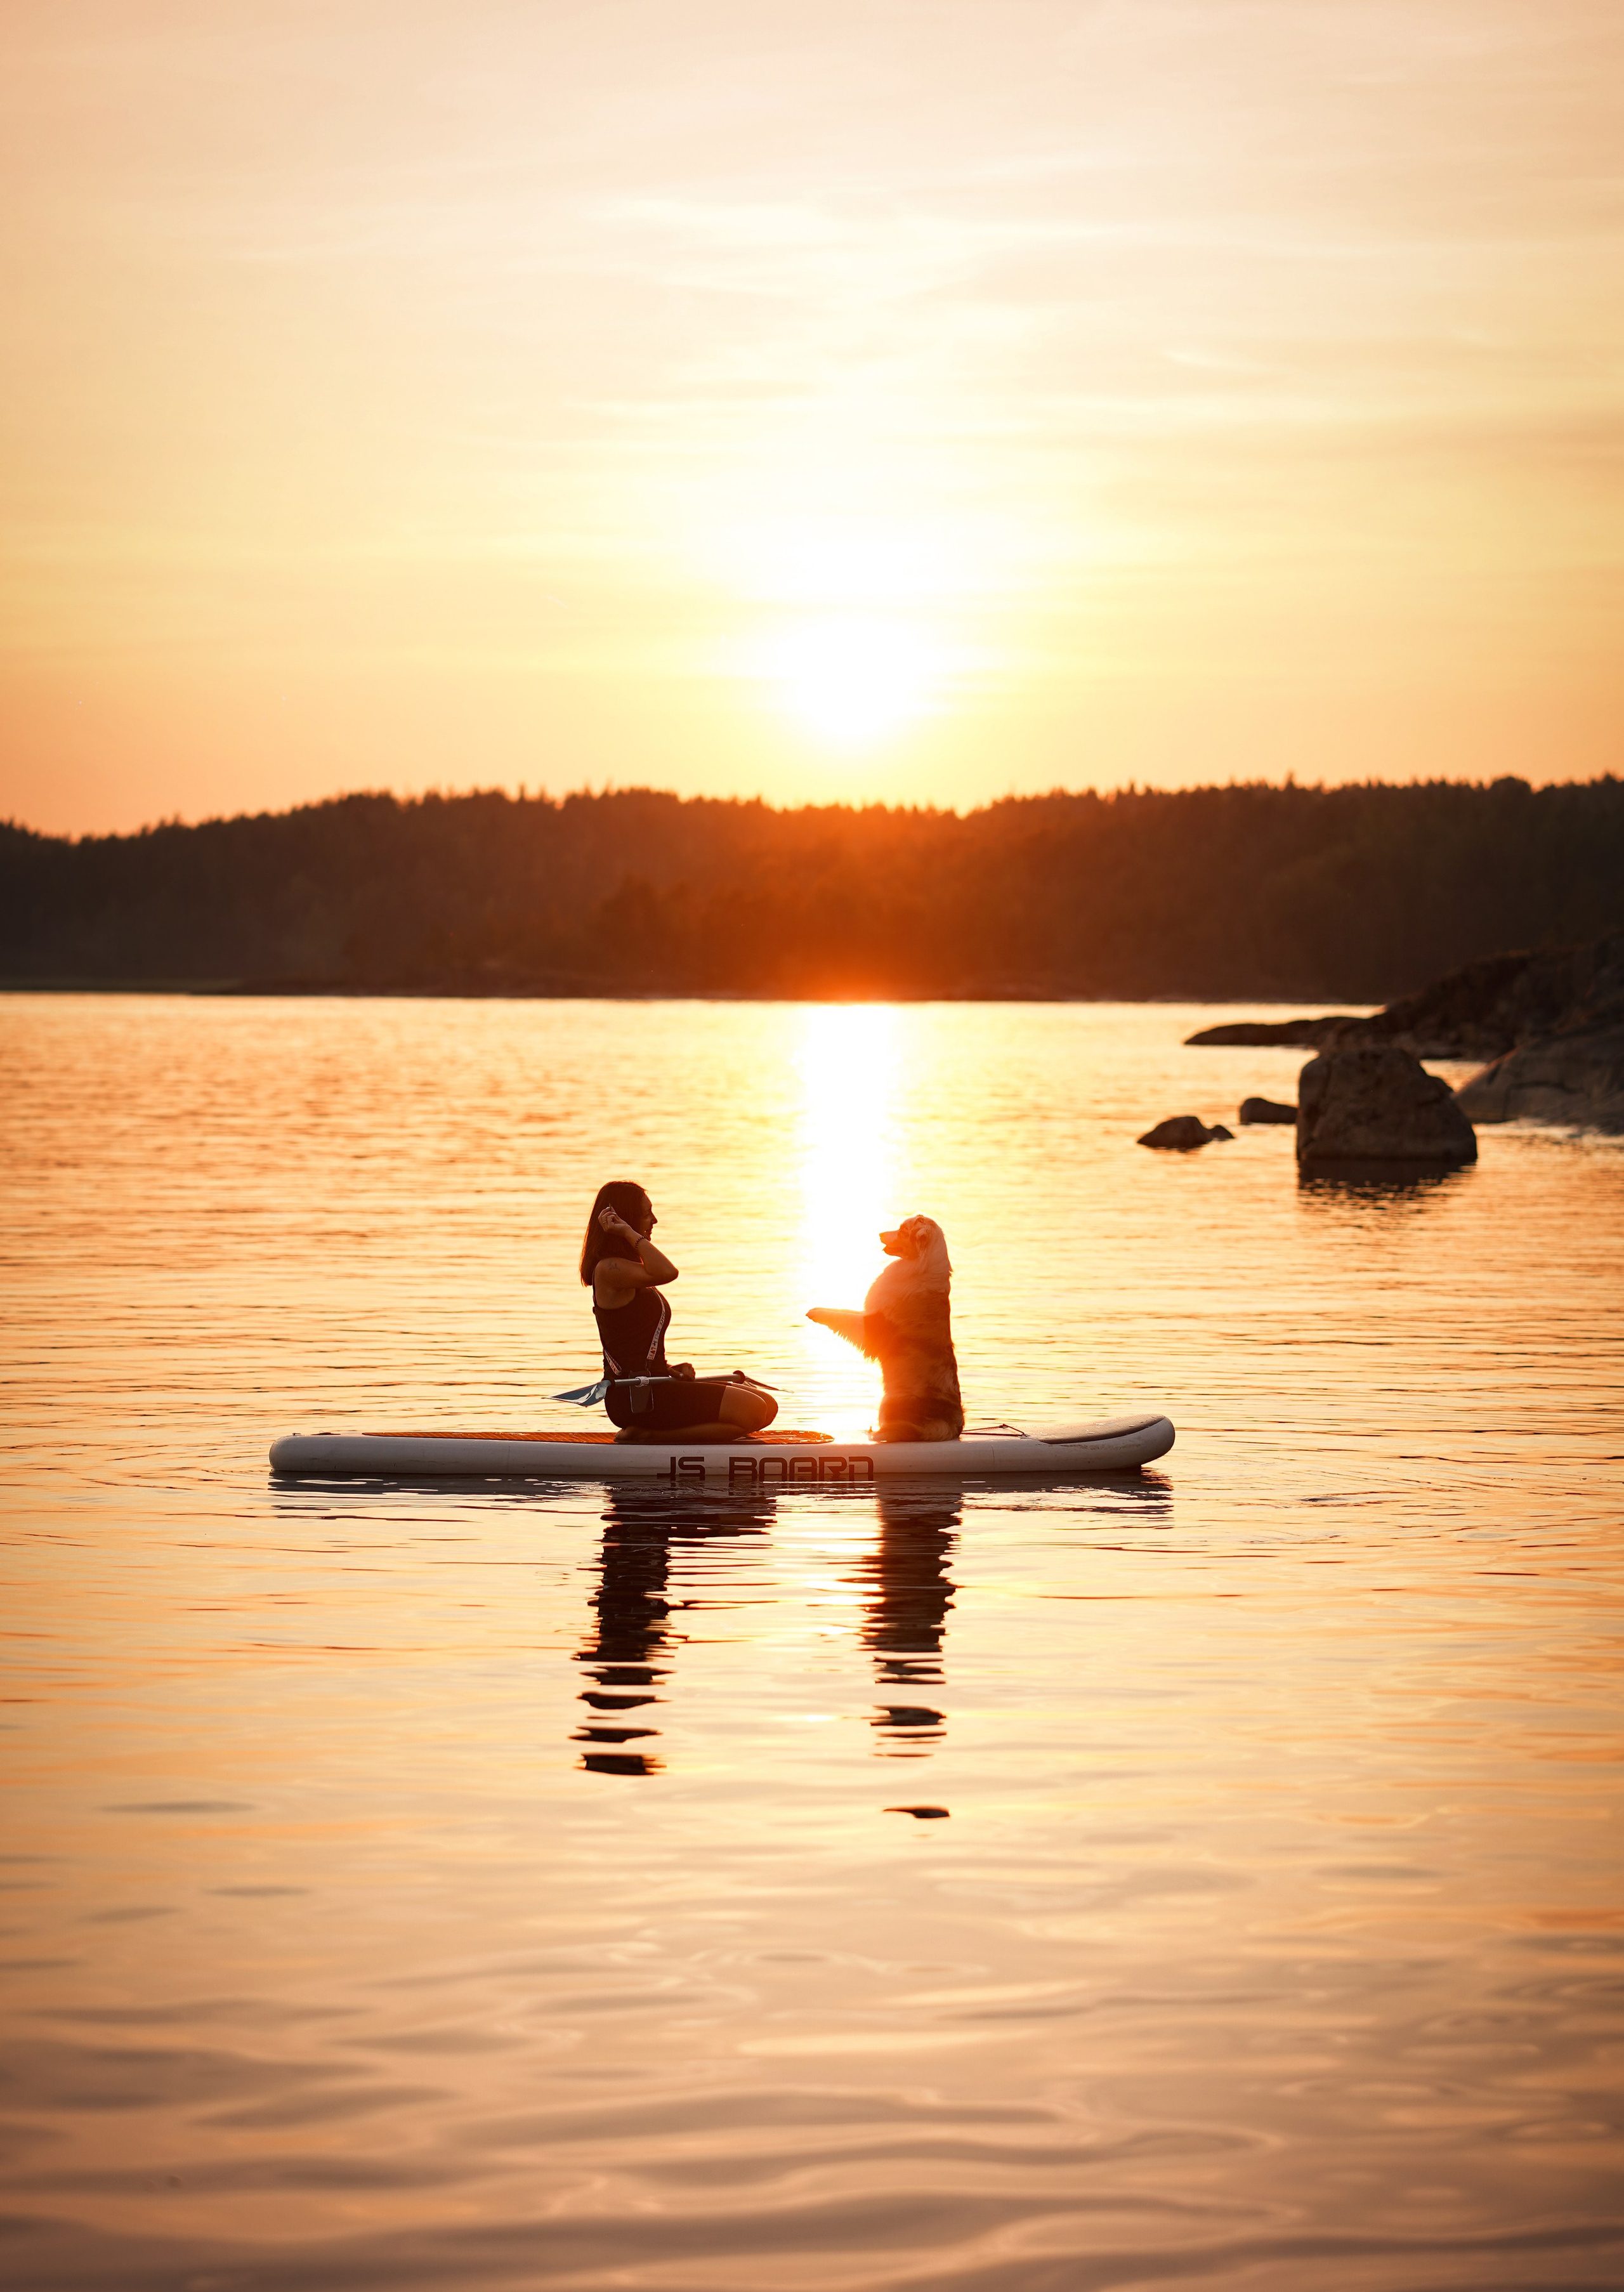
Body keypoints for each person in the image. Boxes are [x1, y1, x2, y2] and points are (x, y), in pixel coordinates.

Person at [581, 1181, 777, 1442]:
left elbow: (632, 1344)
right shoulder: (608, 1269)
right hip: (636, 1399)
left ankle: (662, 1433)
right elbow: (668, 1272)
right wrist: (629, 1233)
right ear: (626, 1218)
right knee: (754, 1410)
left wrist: (668, 1369)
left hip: (655, 1386)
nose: (655, 1220)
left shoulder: (628, 1270)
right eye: (646, 1213)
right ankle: (649, 1435)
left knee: (766, 1404)